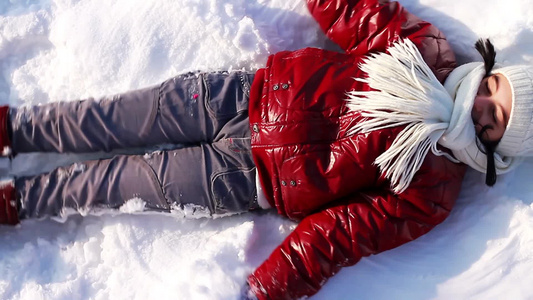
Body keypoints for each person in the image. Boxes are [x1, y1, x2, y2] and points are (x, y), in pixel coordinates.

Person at [0, 0, 532, 299]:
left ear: (497, 145)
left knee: (120, 183)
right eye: (493, 89)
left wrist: (272, 288)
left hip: (241, 179)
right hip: (234, 97)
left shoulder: (433, 186)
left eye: (495, 119)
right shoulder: (425, 51)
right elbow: (355, 12)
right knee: (111, 118)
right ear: (490, 73)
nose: (481, 105)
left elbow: (342, 235)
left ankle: (19, 202)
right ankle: (14, 129)